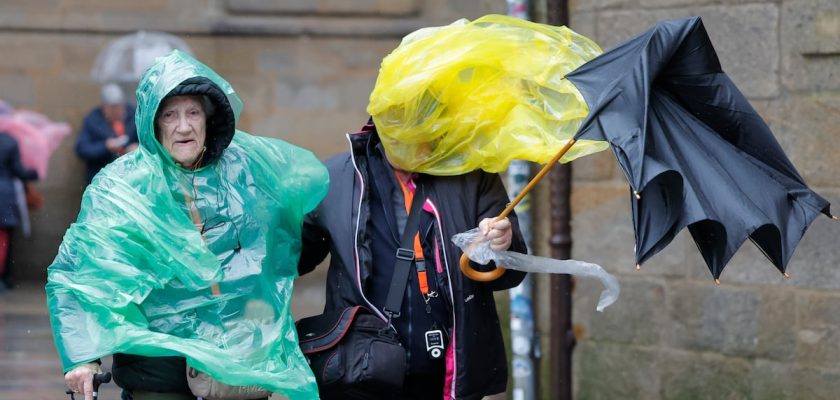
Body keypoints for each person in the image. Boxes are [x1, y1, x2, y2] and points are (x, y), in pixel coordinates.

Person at [49, 51, 326, 400]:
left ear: (208, 119)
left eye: (193, 112)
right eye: (170, 115)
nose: (183, 126)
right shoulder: (122, 187)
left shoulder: (245, 170)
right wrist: (83, 358)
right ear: (153, 122)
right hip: (159, 374)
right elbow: (80, 275)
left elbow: (288, 239)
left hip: (237, 371)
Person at [298, 119, 527, 399]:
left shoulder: (472, 175)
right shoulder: (335, 178)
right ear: (379, 121)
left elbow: (510, 273)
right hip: (359, 370)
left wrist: (502, 244)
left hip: (449, 369)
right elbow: (293, 258)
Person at [75, 82, 138, 184]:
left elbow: (149, 140)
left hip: (130, 177)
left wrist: (138, 148)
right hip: (102, 177)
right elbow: (81, 149)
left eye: (121, 106)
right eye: (114, 108)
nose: (119, 111)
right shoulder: (93, 120)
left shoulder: (133, 115)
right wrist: (105, 146)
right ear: (105, 108)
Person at [0, 131, 38, 291]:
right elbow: (19, 171)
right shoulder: (9, 141)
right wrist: (34, 173)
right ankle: (4, 278)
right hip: (5, 195)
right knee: (4, 240)